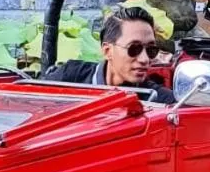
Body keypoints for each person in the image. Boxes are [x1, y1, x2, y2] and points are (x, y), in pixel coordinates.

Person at [42, 6, 176, 104]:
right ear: (107, 51)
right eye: (134, 48)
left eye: (151, 50)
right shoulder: (69, 78)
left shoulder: (160, 101)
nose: (144, 59)